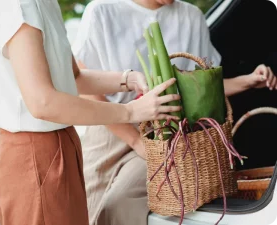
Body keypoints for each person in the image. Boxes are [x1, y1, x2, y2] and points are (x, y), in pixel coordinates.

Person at [72, 0, 277, 225]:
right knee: (87, 211)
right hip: (109, 129)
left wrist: (248, 81)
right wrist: (134, 139)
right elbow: (85, 88)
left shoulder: (191, 16)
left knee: (119, 205)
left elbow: (202, 87)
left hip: (167, 135)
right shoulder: (102, 11)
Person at [0, 0, 183, 225]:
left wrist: (128, 79)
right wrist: (130, 111)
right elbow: (42, 102)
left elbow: (73, 78)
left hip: (61, 147)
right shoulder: (17, 4)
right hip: (33, 156)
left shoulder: (45, 3)